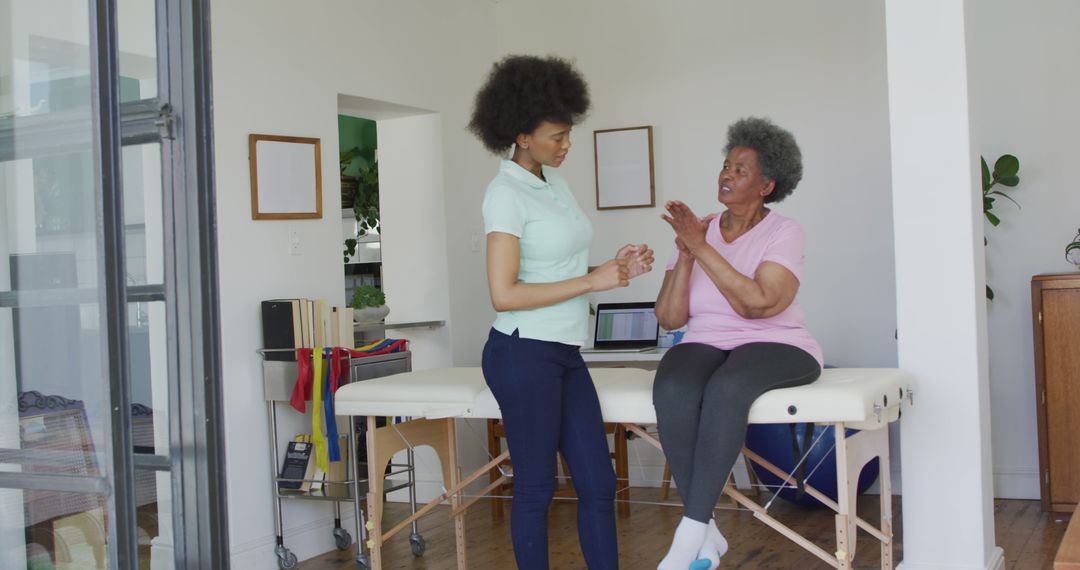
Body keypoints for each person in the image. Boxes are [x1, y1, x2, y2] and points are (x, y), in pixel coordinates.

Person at [468, 54, 655, 570]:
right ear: (521, 135)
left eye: (568, 134)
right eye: (556, 136)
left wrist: (613, 267)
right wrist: (592, 280)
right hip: (521, 351)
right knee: (535, 484)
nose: (566, 145)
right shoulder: (504, 194)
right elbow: (503, 294)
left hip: (564, 350)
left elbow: (558, 269)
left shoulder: (555, 183)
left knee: (597, 481)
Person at [652, 117, 823, 570]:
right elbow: (670, 317)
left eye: (741, 170)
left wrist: (701, 246)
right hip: (707, 340)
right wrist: (688, 253)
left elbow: (759, 304)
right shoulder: (698, 230)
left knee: (728, 388)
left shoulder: (784, 231)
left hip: (777, 341)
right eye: (726, 165)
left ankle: (689, 533)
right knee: (672, 385)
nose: (727, 175)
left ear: (767, 185)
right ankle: (706, 535)